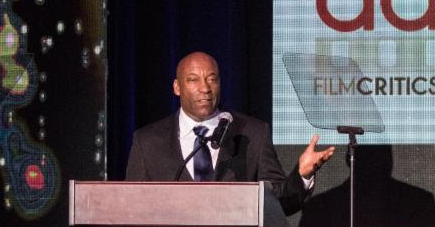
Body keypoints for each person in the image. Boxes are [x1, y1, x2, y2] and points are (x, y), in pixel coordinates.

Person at [125, 51, 334, 214]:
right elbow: (130, 207)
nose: (205, 88)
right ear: (177, 87)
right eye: (193, 79)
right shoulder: (148, 141)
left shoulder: (253, 134)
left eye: (212, 79)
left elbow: (278, 203)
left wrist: (302, 176)